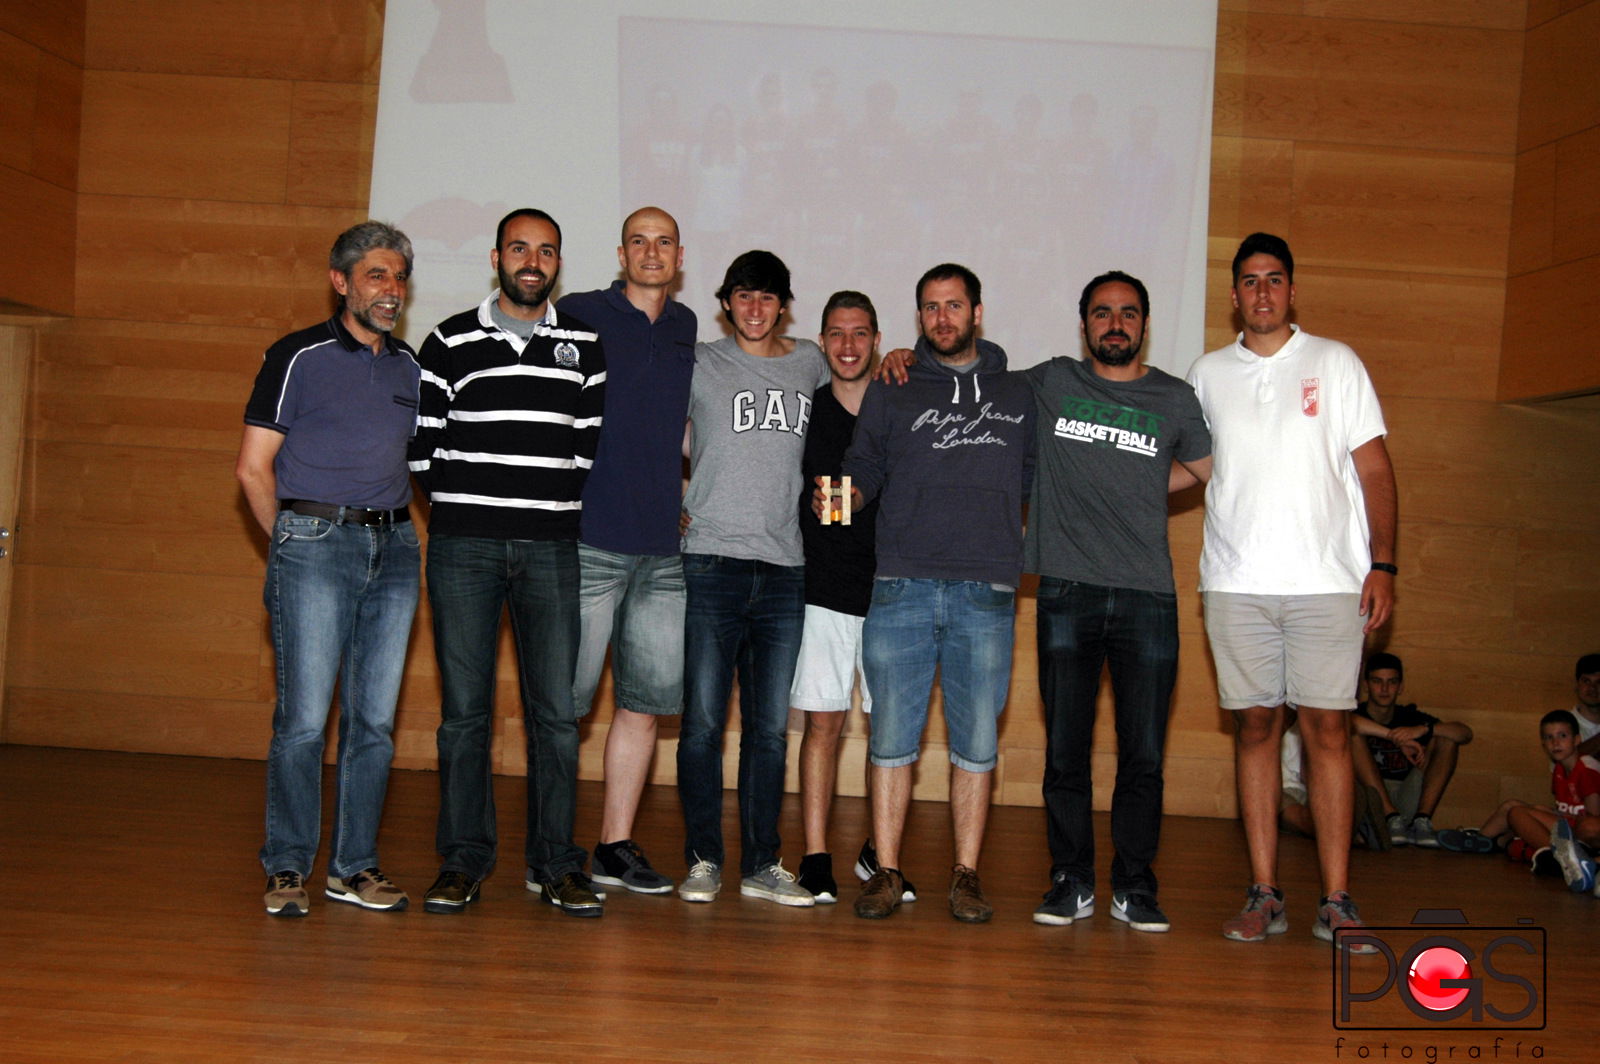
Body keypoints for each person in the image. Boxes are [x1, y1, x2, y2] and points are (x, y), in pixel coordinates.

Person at [1187, 232, 1398, 949]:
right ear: (1236, 294)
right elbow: (1193, 469)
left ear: (1293, 290)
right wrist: (1103, 490)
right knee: (1254, 730)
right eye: (1250, 281)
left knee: (1329, 733)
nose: (1263, 292)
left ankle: (1337, 899)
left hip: (1328, 587)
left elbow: (1373, 471)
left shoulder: (1335, 363)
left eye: (1275, 279)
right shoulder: (1208, 373)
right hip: (1236, 586)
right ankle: (1265, 892)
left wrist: (1385, 565)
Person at [409, 209, 607, 917]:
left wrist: (536, 508)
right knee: (466, 716)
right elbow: (421, 449)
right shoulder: (448, 339)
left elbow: (583, 450)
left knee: (555, 716)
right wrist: (469, 511)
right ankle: (463, 861)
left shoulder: (584, 344)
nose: (532, 261)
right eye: (520, 248)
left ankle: (556, 864)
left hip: (551, 548)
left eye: (546, 251)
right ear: (496, 256)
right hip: (464, 549)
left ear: (558, 262)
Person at [838, 263, 1035, 923]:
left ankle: (967, 876)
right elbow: (862, 469)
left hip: (986, 591)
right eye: (930, 308)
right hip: (900, 587)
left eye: (954, 306)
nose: (942, 318)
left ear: (978, 312)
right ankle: (887, 873)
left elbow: (1040, 479)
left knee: (977, 743)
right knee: (891, 740)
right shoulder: (891, 388)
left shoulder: (1021, 393)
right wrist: (845, 497)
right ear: (918, 317)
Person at [237, 221, 421, 917]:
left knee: (373, 724)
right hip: (314, 543)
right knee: (306, 722)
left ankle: (355, 867)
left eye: (399, 276)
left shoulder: (410, 368)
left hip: (398, 553)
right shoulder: (297, 356)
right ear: (340, 282)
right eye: (377, 275)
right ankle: (287, 868)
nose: (391, 289)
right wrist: (290, 540)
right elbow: (253, 469)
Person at [1024, 271, 1212, 934]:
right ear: (1085, 326)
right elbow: (975, 384)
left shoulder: (1175, 396)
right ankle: (1070, 880)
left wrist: (1140, 487)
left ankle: (1134, 886)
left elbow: (1205, 469)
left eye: (1128, 314)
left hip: (1148, 599)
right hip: (1067, 592)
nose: (1115, 323)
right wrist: (903, 358)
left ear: (1144, 325)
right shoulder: (1052, 382)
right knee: (1066, 751)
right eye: (1103, 313)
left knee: (1144, 754)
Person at [677, 250, 829, 907]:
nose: (756, 307)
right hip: (711, 562)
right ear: (727, 302)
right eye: (744, 295)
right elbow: (648, 436)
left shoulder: (812, 362)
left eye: (768, 297)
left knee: (768, 730)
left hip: (785, 570)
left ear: (784, 304)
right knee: (703, 725)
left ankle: (763, 862)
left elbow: (854, 410)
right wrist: (669, 504)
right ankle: (704, 859)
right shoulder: (700, 363)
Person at [557, 207, 696, 895]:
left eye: (662, 242)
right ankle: (551, 854)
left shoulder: (688, 327)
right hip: (588, 543)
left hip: (663, 554)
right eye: (638, 241)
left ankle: (613, 846)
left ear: (678, 255)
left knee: (643, 704)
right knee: (566, 705)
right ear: (620, 253)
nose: (650, 252)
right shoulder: (579, 311)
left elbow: (692, 429)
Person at [789, 290, 917, 905]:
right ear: (821, 342)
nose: (847, 345)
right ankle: (816, 857)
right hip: (823, 588)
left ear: (876, 339)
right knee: (823, 725)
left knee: (890, 733)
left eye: (860, 333)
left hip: (895, 590)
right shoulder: (804, 409)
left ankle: (880, 856)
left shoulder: (902, 402)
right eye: (836, 334)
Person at [1439, 711, 1600, 894]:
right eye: (1549, 737)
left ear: (1577, 739)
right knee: (1512, 806)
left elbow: (1591, 819)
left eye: (1562, 736)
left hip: (1585, 832)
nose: (1555, 743)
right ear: (1543, 744)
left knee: (1517, 814)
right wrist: (1548, 812)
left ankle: (1554, 856)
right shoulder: (1559, 769)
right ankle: (1482, 840)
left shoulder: (1587, 768)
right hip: (1571, 830)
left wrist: (1552, 814)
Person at [1350, 652, 1473, 848]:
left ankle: (1421, 821)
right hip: (1372, 801)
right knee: (1352, 735)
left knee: (1446, 738)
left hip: (1407, 795)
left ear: (1401, 687)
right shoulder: (1356, 713)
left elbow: (1465, 734)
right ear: (1366, 685)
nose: (1384, 689)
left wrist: (1423, 729)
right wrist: (1393, 737)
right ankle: (1390, 817)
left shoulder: (1409, 716)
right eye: (1377, 681)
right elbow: (1346, 723)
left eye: (1391, 682)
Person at [1567, 653, 1600, 758]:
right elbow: (1565, 766)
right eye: (1586, 681)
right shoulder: (1563, 724)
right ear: (1577, 684)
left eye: (1599, 682)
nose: (1593, 688)